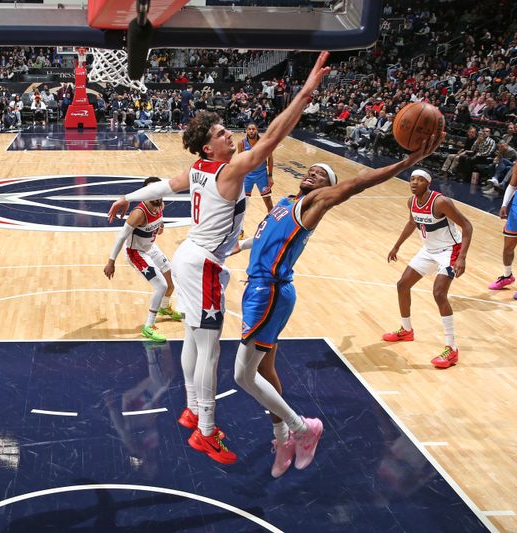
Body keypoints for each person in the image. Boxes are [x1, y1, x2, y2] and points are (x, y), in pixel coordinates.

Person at [108, 51, 332, 465]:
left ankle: (193, 408)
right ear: (209, 145)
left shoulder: (197, 169)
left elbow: (161, 187)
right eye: (223, 133)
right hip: (204, 262)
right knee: (210, 350)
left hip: (191, 257)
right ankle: (207, 432)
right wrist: (304, 93)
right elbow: (272, 139)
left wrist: (126, 197)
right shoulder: (227, 170)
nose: (230, 136)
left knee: (194, 338)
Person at [237, 139, 440, 478]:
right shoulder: (286, 203)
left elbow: (359, 183)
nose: (313, 173)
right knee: (266, 372)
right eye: (312, 170)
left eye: (322, 175)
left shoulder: (314, 203)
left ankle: (301, 428)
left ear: (330, 190)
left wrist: (409, 161)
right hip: (258, 289)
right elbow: (265, 237)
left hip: (269, 293)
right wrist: (237, 245)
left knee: (243, 375)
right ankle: (282, 437)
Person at [382, 168, 473, 368]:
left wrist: (462, 257)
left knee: (439, 293)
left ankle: (452, 349)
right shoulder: (411, 201)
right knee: (402, 285)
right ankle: (406, 330)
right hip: (429, 250)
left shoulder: (441, 202)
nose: (414, 182)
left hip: (450, 250)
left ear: (428, 183)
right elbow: (411, 223)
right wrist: (397, 245)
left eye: (420, 180)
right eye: (412, 179)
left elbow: (467, 226)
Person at [103, 177, 182, 342]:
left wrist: (160, 226)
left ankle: (164, 308)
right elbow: (121, 237)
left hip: (151, 247)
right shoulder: (138, 213)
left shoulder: (161, 205)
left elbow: (158, 223)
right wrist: (111, 261)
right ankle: (148, 326)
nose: (155, 194)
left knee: (171, 279)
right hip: (136, 252)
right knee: (161, 285)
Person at [486, 163, 517, 296]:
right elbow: (512, 185)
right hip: (516, 210)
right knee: (508, 248)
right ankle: (506, 276)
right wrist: (504, 204)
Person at [237, 122, 275, 214]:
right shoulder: (241, 143)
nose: (251, 131)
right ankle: (239, 227)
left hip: (261, 175)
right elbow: (240, 159)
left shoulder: (265, 142)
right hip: (247, 175)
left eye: (253, 129)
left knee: (268, 201)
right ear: (246, 131)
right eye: (249, 129)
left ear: (257, 131)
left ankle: (272, 223)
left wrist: (270, 176)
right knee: (242, 203)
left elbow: (270, 159)